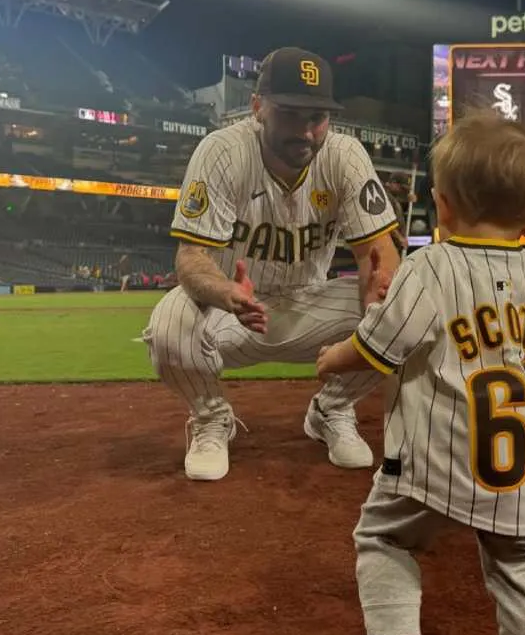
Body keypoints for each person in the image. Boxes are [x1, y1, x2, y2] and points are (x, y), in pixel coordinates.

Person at [317, 109, 525, 635]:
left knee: (385, 535)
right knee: (524, 566)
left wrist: (331, 358)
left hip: (437, 459)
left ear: (442, 206)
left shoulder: (430, 266)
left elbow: (377, 349)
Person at [143, 47, 401, 481]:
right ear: (258, 106)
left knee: (402, 307)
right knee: (168, 324)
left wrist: (381, 301)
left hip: (309, 307)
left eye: (317, 117)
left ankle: (331, 410)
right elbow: (191, 258)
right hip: (231, 312)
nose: (306, 130)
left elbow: (377, 253)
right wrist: (223, 292)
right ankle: (211, 419)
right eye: (291, 114)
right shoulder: (222, 152)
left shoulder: (344, 154)